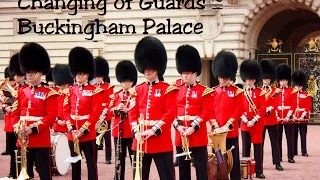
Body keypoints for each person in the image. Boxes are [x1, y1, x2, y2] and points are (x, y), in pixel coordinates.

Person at [128, 36, 178, 180]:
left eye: (150, 67)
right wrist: (136, 131)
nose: (147, 70)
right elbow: (133, 113)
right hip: (140, 141)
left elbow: (170, 113)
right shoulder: (137, 90)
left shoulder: (167, 89)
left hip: (160, 141)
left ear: (158, 68)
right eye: (145, 67)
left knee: (167, 176)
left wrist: (154, 129)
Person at [11, 42, 59, 180]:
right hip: (22, 139)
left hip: (39, 138)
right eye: (27, 72)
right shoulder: (21, 91)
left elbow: (50, 116)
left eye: (31, 72)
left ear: (40, 72)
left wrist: (33, 128)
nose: (28, 75)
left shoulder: (49, 93)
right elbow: (15, 114)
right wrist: (17, 128)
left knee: (44, 174)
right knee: (24, 175)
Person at [173, 44, 213, 180]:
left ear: (195, 73)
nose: (185, 76)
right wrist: (177, 126)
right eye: (183, 73)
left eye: (187, 73)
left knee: (201, 171)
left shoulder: (204, 91)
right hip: (181, 135)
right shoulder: (176, 89)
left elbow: (206, 113)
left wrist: (193, 127)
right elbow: (171, 110)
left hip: (197, 136)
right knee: (183, 172)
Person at [64, 46, 104, 180]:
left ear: (87, 75)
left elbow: (95, 112)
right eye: (77, 73)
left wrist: (83, 129)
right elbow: (66, 111)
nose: (78, 76)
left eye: (81, 73)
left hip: (87, 133)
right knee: (75, 162)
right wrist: (70, 127)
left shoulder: (95, 91)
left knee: (91, 162)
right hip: (73, 132)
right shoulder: (70, 90)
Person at [210, 50, 243, 180]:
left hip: (231, 132)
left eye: (225, 77)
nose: (222, 79)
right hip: (217, 133)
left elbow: (238, 109)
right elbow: (210, 110)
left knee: (233, 160)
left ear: (230, 76)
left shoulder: (237, 92)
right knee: (219, 161)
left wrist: (228, 125)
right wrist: (216, 125)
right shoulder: (213, 91)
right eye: (220, 77)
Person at [109, 60, 137, 180]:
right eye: (123, 81)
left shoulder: (136, 95)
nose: (125, 83)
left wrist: (127, 111)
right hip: (118, 133)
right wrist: (116, 109)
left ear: (132, 82)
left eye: (127, 81)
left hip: (131, 132)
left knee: (134, 160)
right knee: (119, 161)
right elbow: (108, 111)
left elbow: (139, 111)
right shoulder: (116, 95)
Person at [239, 59, 266, 179]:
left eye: (250, 80)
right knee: (245, 150)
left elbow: (262, 109)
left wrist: (253, 120)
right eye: (247, 79)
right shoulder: (241, 93)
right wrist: (245, 120)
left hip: (257, 124)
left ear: (254, 80)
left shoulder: (260, 92)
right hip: (245, 124)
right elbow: (239, 108)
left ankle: (259, 171)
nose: (248, 82)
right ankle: (245, 172)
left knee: (258, 149)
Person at [259, 60, 283, 171]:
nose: (266, 80)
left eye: (268, 78)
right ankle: (260, 163)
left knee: (275, 143)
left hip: (272, 120)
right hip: (262, 121)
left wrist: (270, 108)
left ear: (270, 79)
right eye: (264, 78)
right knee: (260, 144)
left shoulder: (275, 90)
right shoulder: (258, 91)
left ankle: (277, 163)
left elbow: (277, 102)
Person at [93, 56, 114, 164]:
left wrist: (104, 113)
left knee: (107, 138)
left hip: (106, 115)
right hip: (96, 116)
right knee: (95, 138)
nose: (97, 78)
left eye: (99, 76)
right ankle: (94, 157)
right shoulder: (94, 87)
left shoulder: (108, 87)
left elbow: (111, 100)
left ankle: (108, 158)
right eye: (96, 76)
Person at [275, 63, 295, 163]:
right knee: (278, 139)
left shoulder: (292, 91)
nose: (283, 82)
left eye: (285, 80)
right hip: (278, 119)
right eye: (281, 80)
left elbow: (293, 104)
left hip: (288, 118)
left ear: (287, 80)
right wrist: (277, 116)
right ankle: (280, 157)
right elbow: (273, 104)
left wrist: (288, 116)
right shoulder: (276, 91)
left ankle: (290, 157)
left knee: (289, 139)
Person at [0, 66, 17, 179]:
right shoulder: (5, 89)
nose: (10, 81)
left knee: (21, 150)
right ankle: (12, 172)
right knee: (11, 150)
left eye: (12, 79)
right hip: (10, 123)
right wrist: (4, 107)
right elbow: (2, 101)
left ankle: (24, 171)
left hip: (18, 122)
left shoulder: (20, 88)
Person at [291, 70, 312, 157]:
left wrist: (303, 116)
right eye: (296, 85)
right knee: (294, 136)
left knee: (303, 136)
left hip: (303, 119)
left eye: (299, 86)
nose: (298, 87)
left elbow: (308, 106)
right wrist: (294, 116)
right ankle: (294, 151)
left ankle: (304, 151)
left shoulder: (306, 94)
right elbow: (291, 105)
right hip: (294, 118)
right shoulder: (292, 94)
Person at [51, 64, 74, 133]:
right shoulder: (57, 93)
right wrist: (58, 120)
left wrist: (66, 121)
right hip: (57, 126)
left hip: (70, 127)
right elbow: (53, 109)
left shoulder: (73, 92)